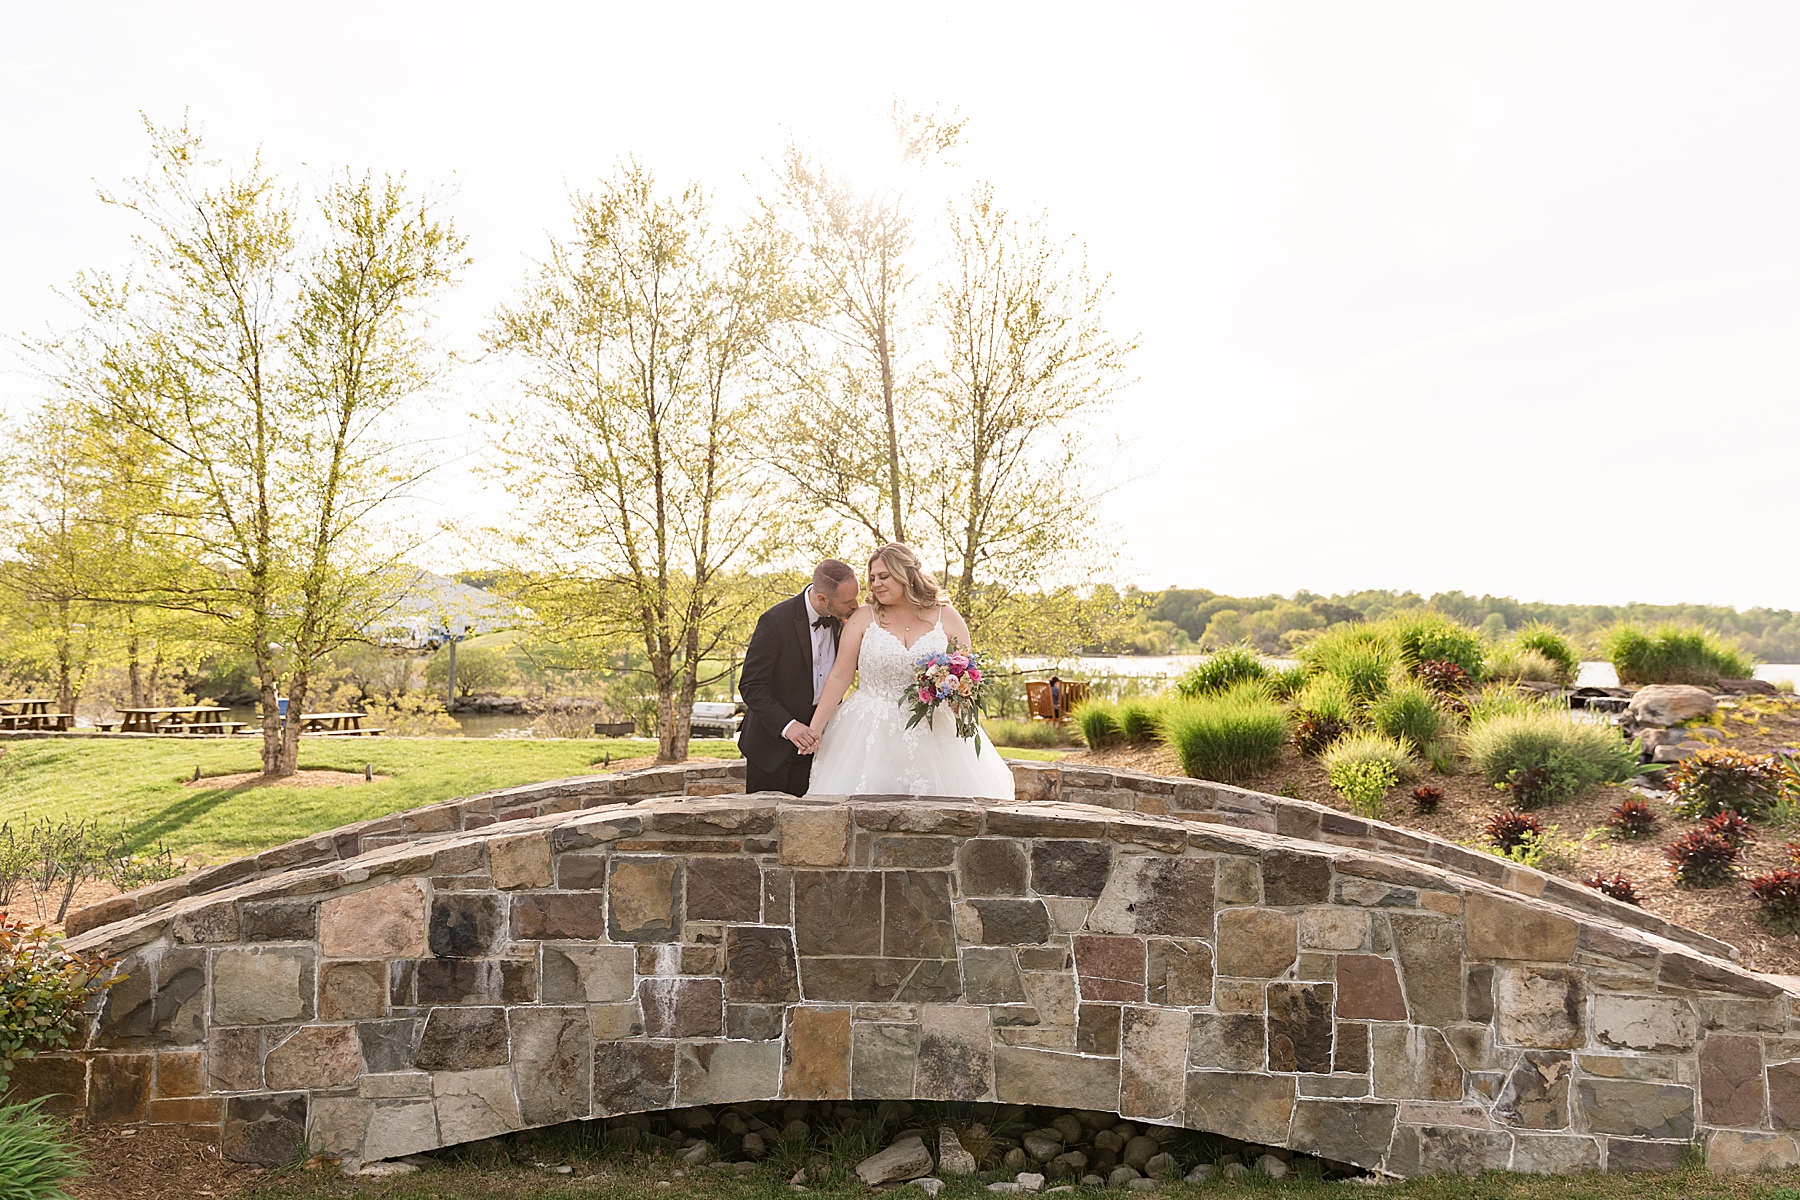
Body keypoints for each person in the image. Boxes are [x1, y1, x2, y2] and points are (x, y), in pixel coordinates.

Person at [805, 543, 1014, 800]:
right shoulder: (863, 617)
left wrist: (960, 702)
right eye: (872, 578)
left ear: (906, 574)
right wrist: (815, 728)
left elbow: (966, 676)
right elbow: (840, 675)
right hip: (868, 731)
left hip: (934, 729)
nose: (875, 584)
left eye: (884, 576)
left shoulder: (946, 617)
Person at [737, 560, 862, 796]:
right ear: (823, 598)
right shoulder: (774, 622)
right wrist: (789, 727)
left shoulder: (849, 623)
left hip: (822, 746)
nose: (856, 605)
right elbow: (752, 686)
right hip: (771, 748)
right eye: (848, 602)